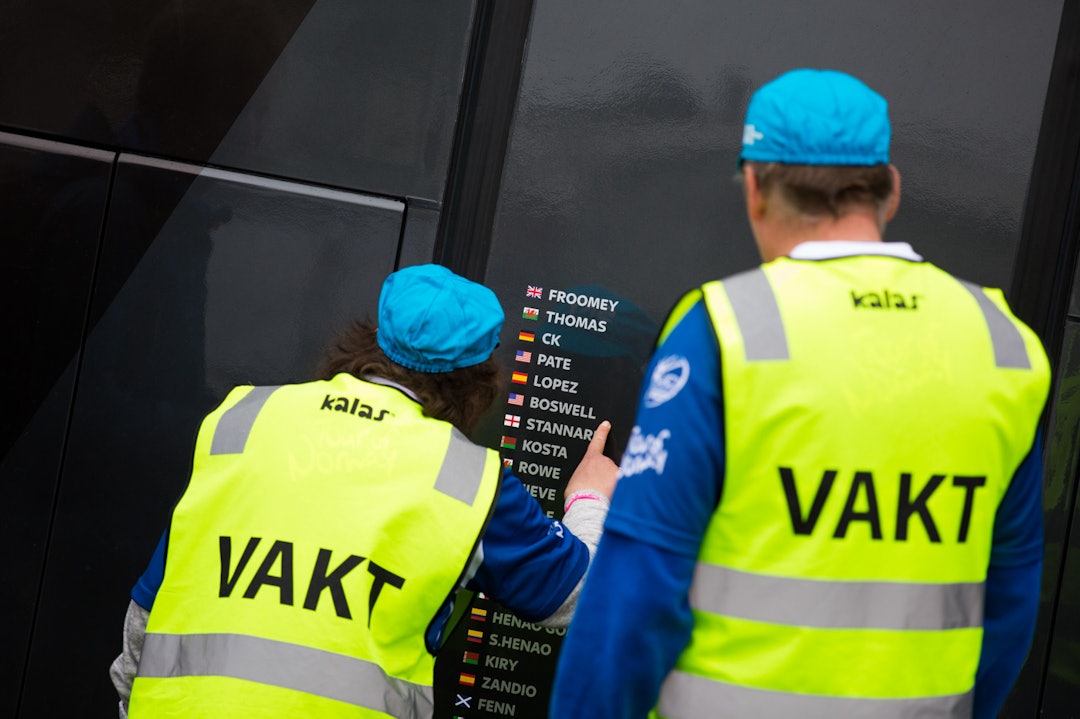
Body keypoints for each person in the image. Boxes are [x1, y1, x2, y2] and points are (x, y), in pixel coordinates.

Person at [552, 68, 1050, 719]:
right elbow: (1010, 600)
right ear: (891, 190)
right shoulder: (1004, 345)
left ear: (755, 189)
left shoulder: (724, 332)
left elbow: (636, 587)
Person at [109, 263, 618, 718]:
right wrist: (590, 499)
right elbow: (579, 595)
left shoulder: (248, 417)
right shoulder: (467, 479)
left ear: (374, 336)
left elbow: (152, 605)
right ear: (478, 380)